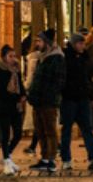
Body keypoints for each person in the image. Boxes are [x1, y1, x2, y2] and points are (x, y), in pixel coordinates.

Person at [59, 34, 93, 171]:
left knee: (87, 128)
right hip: (69, 99)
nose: (82, 46)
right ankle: (66, 159)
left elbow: (88, 80)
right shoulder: (66, 57)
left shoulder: (86, 58)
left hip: (83, 99)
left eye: (83, 44)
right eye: (80, 44)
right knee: (67, 130)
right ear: (74, 44)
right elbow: (63, 78)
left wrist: (92, 97)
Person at [26, 30, 65, 173]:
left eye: (40, 41)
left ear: (47, 43)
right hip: (38, 101)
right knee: (40, 130)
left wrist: (48, 96)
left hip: (48, 102)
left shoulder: (56, 58)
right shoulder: (42, 57)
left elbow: (58, 82)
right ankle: (44, 158)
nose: (37, 44)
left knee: (49, 131)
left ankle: (51, 159)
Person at [0, 45, 26, 175]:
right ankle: (6, 160)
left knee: (18, 134)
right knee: (5, 135)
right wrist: (17, 97)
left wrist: (23, 95)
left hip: (16, 107)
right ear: (4, 57)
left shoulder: (16, 70)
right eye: (10, 56)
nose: (13, 59)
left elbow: (20, 84)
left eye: (14, 56)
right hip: (4, 108)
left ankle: (8, 157)